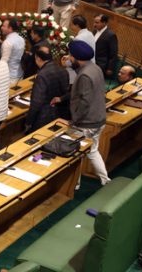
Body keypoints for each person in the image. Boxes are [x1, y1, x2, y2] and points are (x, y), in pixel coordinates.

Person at [55, 41, 110, 186]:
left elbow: (84, 102)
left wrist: (74, 121)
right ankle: (105, 180)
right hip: (99, 119)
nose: (68, 58)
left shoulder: (84, 75)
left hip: (86, 122)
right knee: (92, 150)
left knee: (75, 154)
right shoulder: (95, 68)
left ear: (75, 57)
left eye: (70, 56)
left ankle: (74, 185)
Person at [25, 47, 70, 132]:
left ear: (38, 58)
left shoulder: (42, 75)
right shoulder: (63, 70)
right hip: (61, 112)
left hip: (44, 116)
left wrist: (28, 121)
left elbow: (36, 102)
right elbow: (66, 91)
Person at [1, 19, 26, 84]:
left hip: (10, 76)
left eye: (3, 26)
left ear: (10, 28)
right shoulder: (21, 39)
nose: (1, 28)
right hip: (20, 72)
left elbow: (4, 62)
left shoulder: (8, 42)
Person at [93, 14, 118, 78]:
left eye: (97, 23)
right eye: (94, 22)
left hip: (101, 65)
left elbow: (113, 53)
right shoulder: (94, 31)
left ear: (104, 23)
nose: (94, 25)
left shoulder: (111, 35)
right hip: (92, 61)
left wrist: (110, 68)